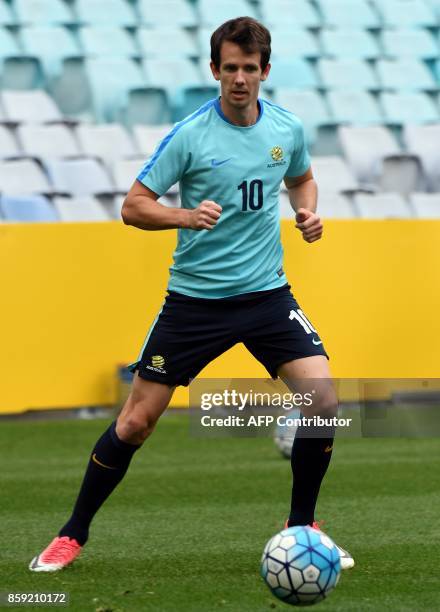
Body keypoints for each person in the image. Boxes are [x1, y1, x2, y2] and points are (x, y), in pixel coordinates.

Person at [29, 17, 354, 572]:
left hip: (267, 296)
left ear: (265, 72)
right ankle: (71, 534)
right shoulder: (190, 135)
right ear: (214, 70)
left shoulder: (286, 128)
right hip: (195, 303)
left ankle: (302, 528)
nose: (240, 79)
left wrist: (306, 209)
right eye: (230, 68)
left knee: (323, 400)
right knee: (135, 423)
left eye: (250, 69)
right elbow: (133, 206)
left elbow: (300, 176)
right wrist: (184, 215)